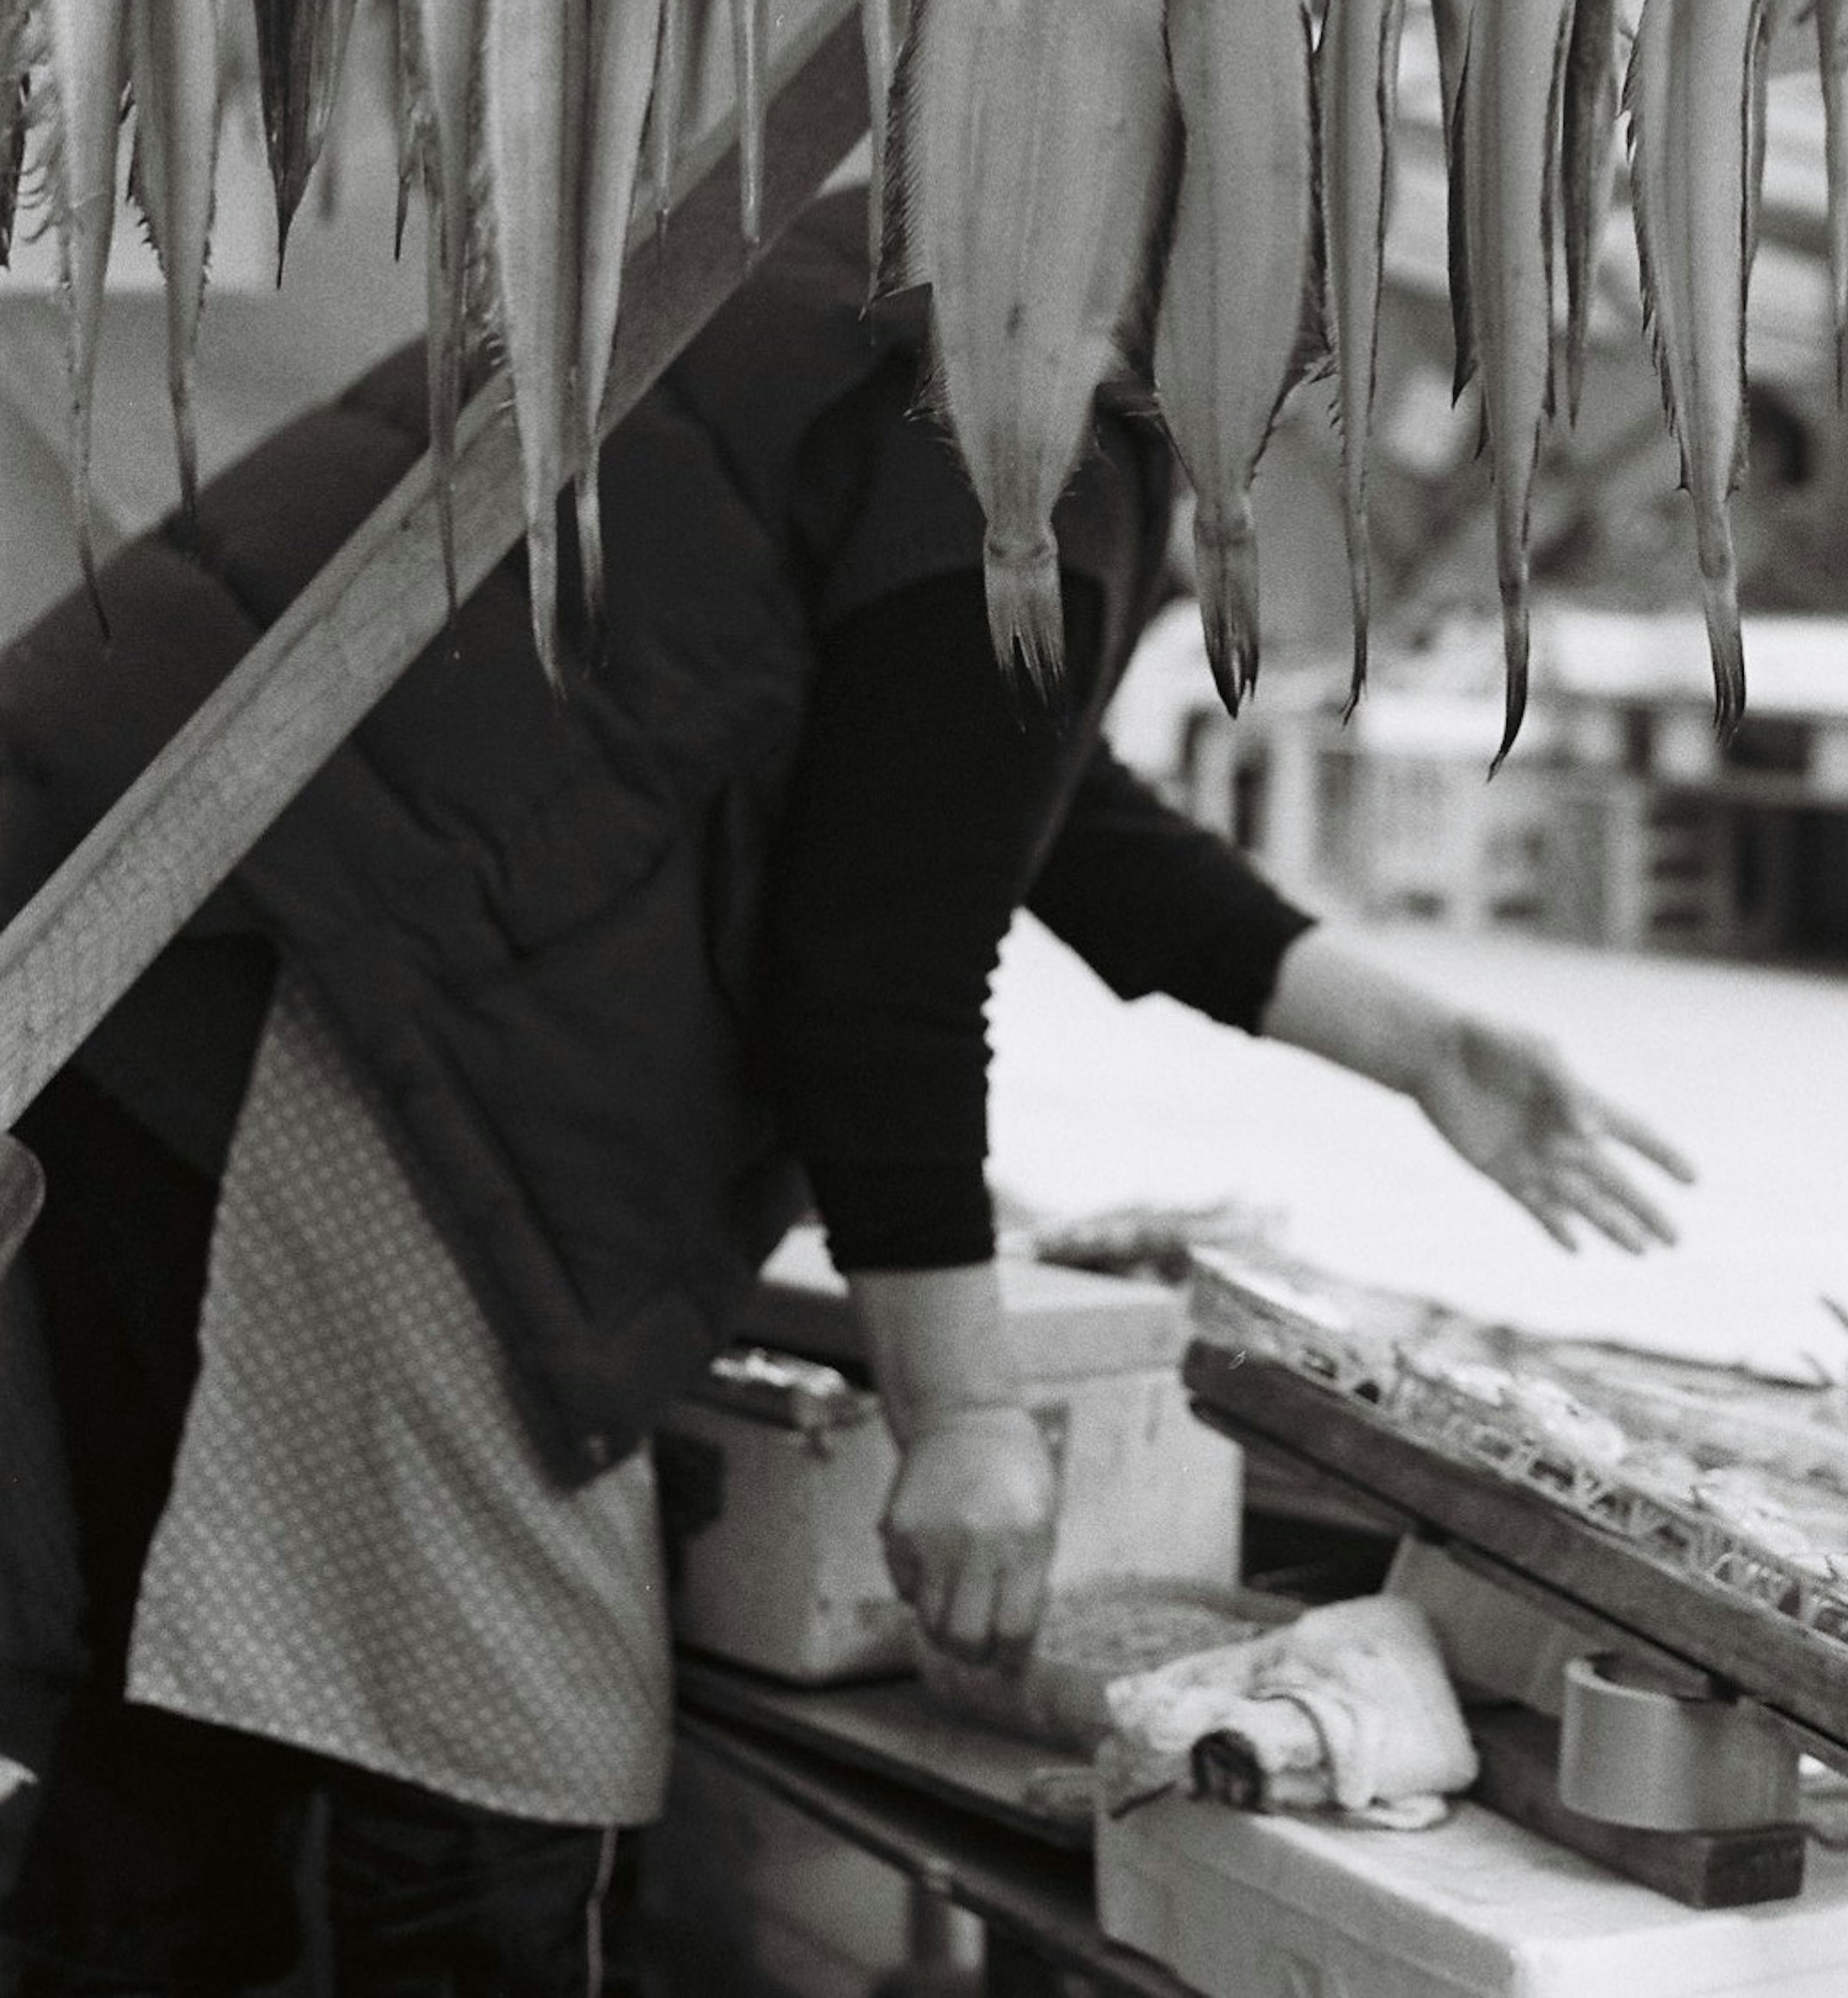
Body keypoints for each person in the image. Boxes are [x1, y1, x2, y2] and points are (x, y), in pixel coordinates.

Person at [0, 188, 1687, 1995]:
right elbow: (879, 978)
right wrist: (957, 1417)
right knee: (493, 1754)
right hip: (335, 1000)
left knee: (177, 1701)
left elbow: (979, 780)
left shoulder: (880, 273)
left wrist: (1407, 1039)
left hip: (126, 928)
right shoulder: (1023, 427)